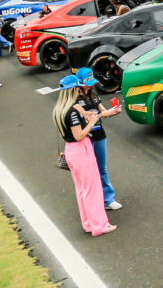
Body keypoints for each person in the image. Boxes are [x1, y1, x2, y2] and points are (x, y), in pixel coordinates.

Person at [53, 74, 116, 236]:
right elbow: (79, 135)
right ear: (73, 89)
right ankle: (100, 226)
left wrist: (92, 116)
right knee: (92, 190)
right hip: (81, 150)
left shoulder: (61, 109)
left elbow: (85, 115)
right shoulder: (72, 112)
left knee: (82, 190)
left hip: (71, 151)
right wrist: (91, 123)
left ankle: (88, 223)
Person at [76, 67, 123, 210]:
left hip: (99, 134)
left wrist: (113, 111)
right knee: (89, 171)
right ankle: (93, 200)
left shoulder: (94, 95)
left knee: (102, 168)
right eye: (87, 83)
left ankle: (108, 199)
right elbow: (85, 116)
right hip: (85, 137)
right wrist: (100, 115)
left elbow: (104, 112)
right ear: (80, 83)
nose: (91, 85)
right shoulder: (74, 98)